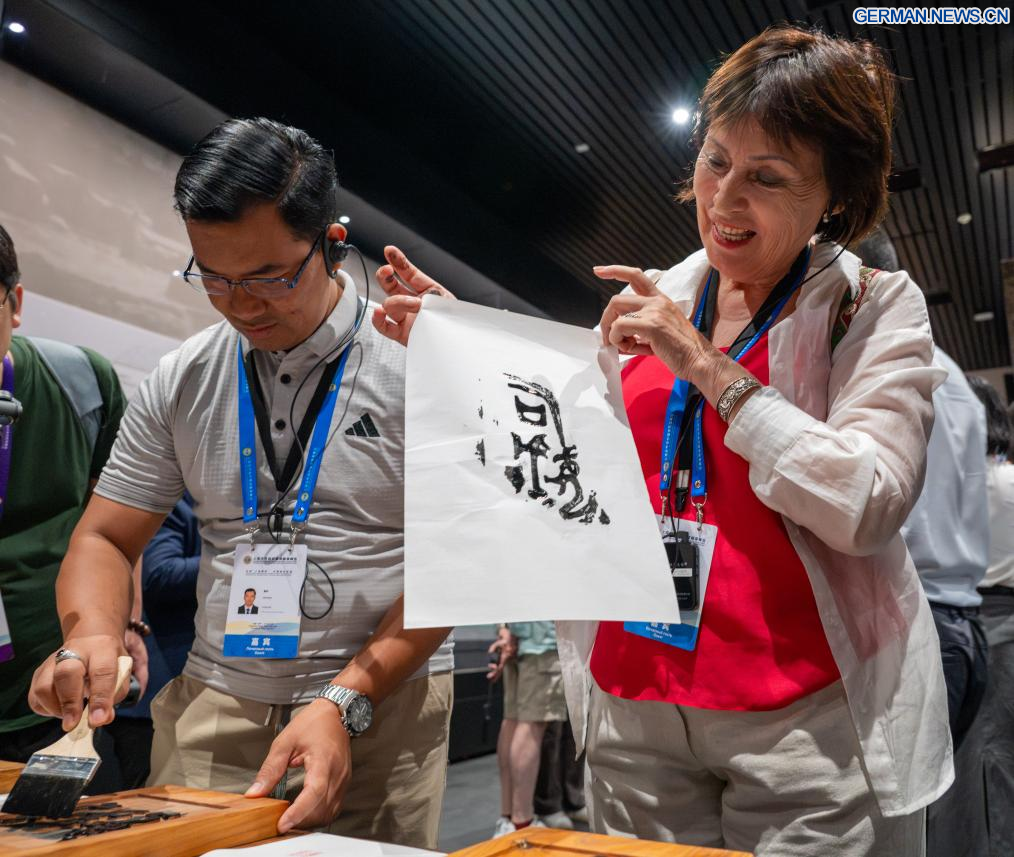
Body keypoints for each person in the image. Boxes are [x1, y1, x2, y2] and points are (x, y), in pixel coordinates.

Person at [372, 25, 949, 857]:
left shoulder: (872, 307)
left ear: (835, 196)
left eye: (767, 177)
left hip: (799, 722)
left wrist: (708, 367)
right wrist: (460, 334)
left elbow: (869, 503)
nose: (723, 198)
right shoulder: (666, 292)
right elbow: (571, 440)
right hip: (635, 707)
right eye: (715, 160)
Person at [26, 118, 454, 848]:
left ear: (331, 243)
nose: (240, 305)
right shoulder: (184, 376)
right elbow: (105, 536)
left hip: (384, 705)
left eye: (268, 278)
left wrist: (345, 700)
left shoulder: (416, 360)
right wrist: (91, 634)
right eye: (213, 278)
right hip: (216, 702)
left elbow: (459, 562)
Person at [0, 223, 146, 792]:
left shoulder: (82, 382)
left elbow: (117, 527)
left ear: (15, 303)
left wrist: (126, 623)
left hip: (61, 693)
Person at [899, 350, 989, 857]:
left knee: (895, 823)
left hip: (919, 621)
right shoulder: (955, 377)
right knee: (933, 818)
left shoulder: (894, 359)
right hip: (962, 618)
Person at [110, 491, 201, 789]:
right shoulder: (174, 497)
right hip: (152, 698)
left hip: (198, 695)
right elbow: (159, 573)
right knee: (149, 804)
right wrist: (236, 559)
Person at [967, 376, 1014, 855]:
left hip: (957, 626)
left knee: (971, 756)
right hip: (1008, 623)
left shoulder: (936, 489)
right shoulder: (1009, 481)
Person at [487, 621, 568, 835]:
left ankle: (508, 819)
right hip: (542, 641)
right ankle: (521, 822)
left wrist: (504, 631)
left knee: (512, 721)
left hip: (516, 638)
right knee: (531, 724)